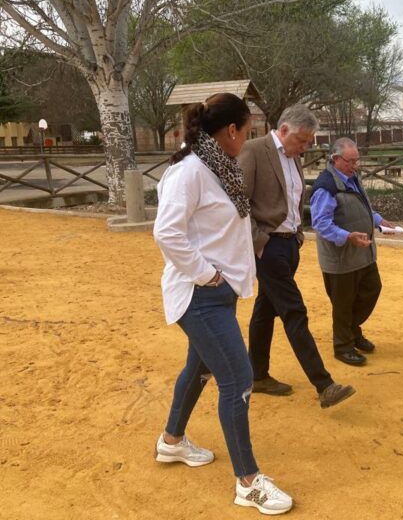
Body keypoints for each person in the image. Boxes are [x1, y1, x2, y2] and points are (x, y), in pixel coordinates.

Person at [153, 93, 292, 515]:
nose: (249, 139)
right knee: (239, 378)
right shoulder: (191, 171)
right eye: (248, 131)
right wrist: (206, 274)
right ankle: (247, 481)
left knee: (200, 367)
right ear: (231, 130)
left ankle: (171, 442)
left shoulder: (219, 167)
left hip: (219, 291)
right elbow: (167, 232)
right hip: (201, 295)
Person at [238, 103, 355, 406]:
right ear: (285, 129)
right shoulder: (254, 150)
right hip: (269, 245)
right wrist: (259, 242)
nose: (304, 147)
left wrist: (299, 234)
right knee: (294, 311)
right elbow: (238, 204)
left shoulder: (294, 159)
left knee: (266, 309)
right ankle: (324, 385)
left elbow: (292, 200)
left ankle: (257, 374)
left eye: (308, 142)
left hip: (290, 244)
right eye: (301, 140)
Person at [309, 137, 396, 366]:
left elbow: (363, 205)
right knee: (343, 303)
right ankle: (343, 346)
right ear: (336, 159)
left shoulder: (353, 178)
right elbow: (320, 223)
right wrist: (347, 236)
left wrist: (378, 220)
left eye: (357, 160)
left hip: (363, 253)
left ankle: (352, 332)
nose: (355, 165)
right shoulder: (326, 187)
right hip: (341, 258)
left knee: (371, 288)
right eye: (350, 161)